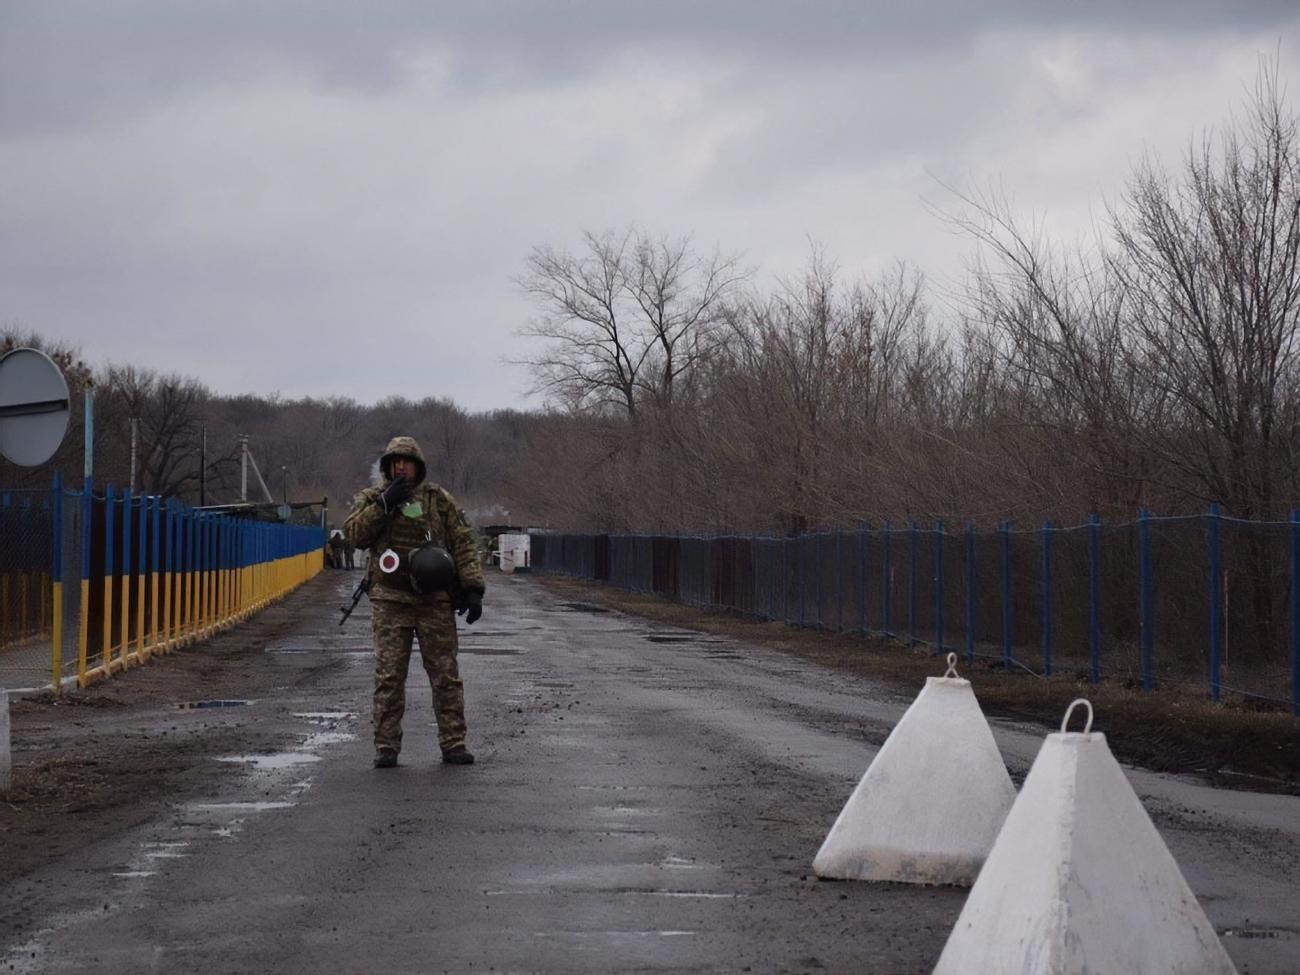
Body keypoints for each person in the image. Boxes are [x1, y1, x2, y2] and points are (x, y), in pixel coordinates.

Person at [343, 436, 485, 768]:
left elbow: (463, 542)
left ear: (418, 466)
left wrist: (472, 587)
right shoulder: (373, 499)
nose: (400, 467)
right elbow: (354, 535)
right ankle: (386, 746)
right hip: (390, 600)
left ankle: (454, 743)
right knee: (389, 676)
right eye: (394, 462)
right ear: (387, 466)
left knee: (445, 675)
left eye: (406, 462)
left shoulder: (438, 500)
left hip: (434, 600)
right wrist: (383, 506)